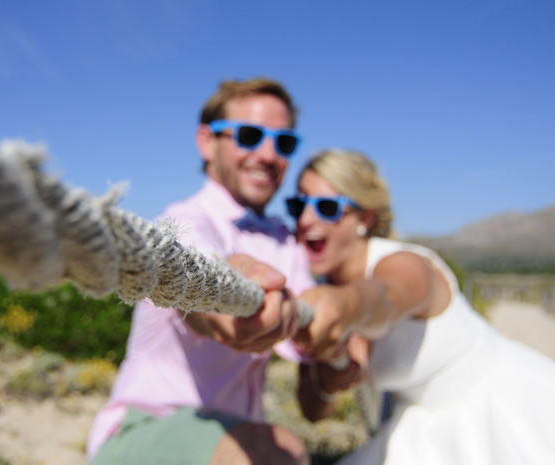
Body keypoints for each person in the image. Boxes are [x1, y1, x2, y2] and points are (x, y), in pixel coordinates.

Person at [87, 78, 317, 465]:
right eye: (249, 135)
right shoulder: (183, 221)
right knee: (275, 454)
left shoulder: (285, 242)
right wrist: (223, 304)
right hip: (146, 427)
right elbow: (198, 279)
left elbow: (311, 316)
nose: (267, 154)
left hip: (230, 437)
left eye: (284, 142)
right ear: (207, 143)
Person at [288, 148, 555, 464]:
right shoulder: (318, 293)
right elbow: (313, 410)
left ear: (365, 218)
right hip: (422, 429)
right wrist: (326, 380)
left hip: (505, 411)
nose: (305, 219)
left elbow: (382, 299)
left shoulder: (406, 264)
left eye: (327, 207)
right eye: (298, 204)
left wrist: (344, 306)